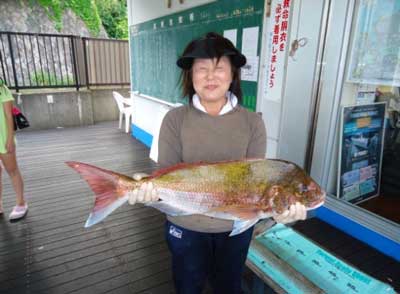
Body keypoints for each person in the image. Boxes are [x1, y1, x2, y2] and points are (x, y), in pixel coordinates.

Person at [128, 32, 306, 294]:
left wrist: (279, 211)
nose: (210, 77)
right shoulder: (174, 120)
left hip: (235, 229)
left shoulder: (252, 122)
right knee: (187, 287)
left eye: (219, 68)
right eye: (202, 69)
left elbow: (258, 184)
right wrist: (147, 193)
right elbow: (165, 179)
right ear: (191, 76)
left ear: (232, 75)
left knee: (229, 287)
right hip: (185, 228)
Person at [0, 81, 28, 220]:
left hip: (3, 138)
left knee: (12, 170)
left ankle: (21, 203)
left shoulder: (2, 89)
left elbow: (9, 116)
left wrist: (10, 138)